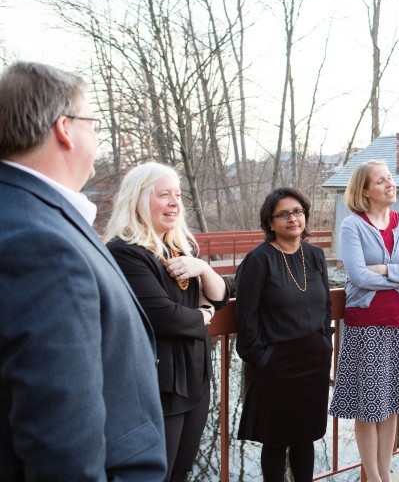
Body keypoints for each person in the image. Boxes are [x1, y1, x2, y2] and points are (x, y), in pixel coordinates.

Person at [0, 61, 166, 480]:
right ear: (64, 129)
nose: (97, 137)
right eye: (93, 123)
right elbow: (60, 439)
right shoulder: (38, 240)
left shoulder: (25, 212)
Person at [105, 162, 229, 481]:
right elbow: (164, 317)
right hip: (159, 385)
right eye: (164, 195)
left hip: (196, 380)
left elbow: (219, 297)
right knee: (157, 472)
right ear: (138, 199)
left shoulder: (180, 249)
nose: (174, 202)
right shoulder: (125, 252)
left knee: (182, 470)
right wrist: (202, 316)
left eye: (177, 194)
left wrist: (201, 267)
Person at [328, 160, 399, 482]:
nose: (390, 185)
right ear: (365, 191)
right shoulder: (352, 225)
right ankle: (371, 476)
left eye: (390, 179)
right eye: (381, 181)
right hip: (366, 325)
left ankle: (384, 475)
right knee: (367, 405)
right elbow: (358, 276)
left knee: (391, 404)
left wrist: (383, 270)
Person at [235, 187, 333, 482]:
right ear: (270, 222)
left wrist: (325, 343)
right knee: (276, 441)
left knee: (306, 437)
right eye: (284, 214)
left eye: (298, 211)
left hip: (314, 363)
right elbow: (246, 321)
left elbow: (326, 306)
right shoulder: (259, 260)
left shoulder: (315, 255)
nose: (293, 218)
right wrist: (264, 359)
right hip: (276, 366)